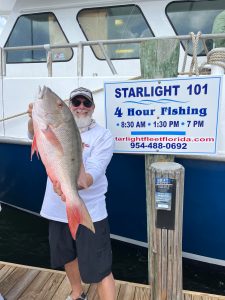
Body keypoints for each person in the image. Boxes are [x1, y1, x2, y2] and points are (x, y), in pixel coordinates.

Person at [27, 87, 116, 300]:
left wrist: (72, 185)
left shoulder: (103, 136)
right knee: (66, 256)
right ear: (69, 106)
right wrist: (33, 117)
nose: (81, 108)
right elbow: (34, 134)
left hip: (90, 211)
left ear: (93, 107)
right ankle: (77, 294)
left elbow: (91, 175)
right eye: (76, 103)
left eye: (86, 103)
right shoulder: (52, 124)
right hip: (57, 209)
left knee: (101, 267)